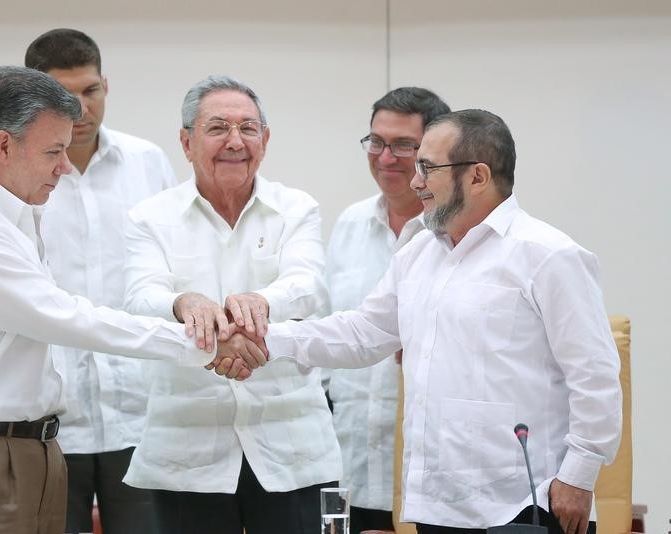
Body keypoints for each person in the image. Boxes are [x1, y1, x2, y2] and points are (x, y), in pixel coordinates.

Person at [0, 66, 263, 534]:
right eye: (54, 151)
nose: (62, 166)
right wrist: (207, 343)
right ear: (4, 146)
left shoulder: (15, 215)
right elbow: (69, 319)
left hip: (26, 448)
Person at [260, 109, 622, 534]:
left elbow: (595, 374)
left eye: (427, 168)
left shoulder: (548, 256)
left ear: (478, 176)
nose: (415, 182)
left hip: (526, 501)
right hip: (439, 503)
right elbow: (361, 333)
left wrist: (578, 474)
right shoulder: (417, 255)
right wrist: (265, 338)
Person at [121, 75, 341, 534]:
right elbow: (140, 299)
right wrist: (184, 303)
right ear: (186, 142)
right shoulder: (150, 217)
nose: (235, 142)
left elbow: (309, 286)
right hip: (187, 449)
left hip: (291, 443)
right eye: (218, 128)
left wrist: (258, 304)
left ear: (266, 139)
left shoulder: (296, 208)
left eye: (248, 128)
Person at [25, 28, 176, 534]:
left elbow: (174, 270)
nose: (81, 109)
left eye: (91, 91)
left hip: (140, 414)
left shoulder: (148, 162)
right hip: (50, 421)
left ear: (106, 85)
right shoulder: (18, 176)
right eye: (64, 97)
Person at [326, 87, 449, 534]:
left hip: (429, 473)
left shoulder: (456, 232)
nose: (385, 157)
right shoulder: (350, 224)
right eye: (376, 142)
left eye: (403, 145)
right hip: (350, 465)